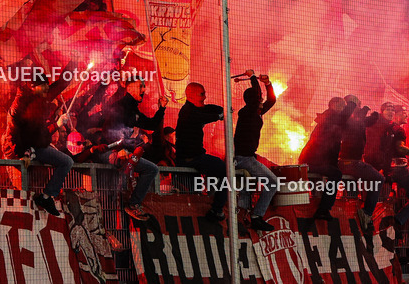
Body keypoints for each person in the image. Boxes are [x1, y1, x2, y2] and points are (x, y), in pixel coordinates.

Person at [1, 75, 74, 217]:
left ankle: (46, 197)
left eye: (48, 83)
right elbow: (12, 134)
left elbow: (60, 85)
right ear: (33, 86)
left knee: (67, 162)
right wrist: (23, 154)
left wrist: (74, 64)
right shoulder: (18, 106)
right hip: (19, 152)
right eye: (44, 84)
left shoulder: (43, 97)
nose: (48, 87)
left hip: (36, 147)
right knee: (25, 189)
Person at [99, 74, 167, 221]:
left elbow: (151, 124)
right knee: (125, 163)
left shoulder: (134, 110)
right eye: (140, 85)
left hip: (124, 153)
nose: (144, 89)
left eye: (144, 86)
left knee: (151, 168)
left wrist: (161, 109)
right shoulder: (119, 106)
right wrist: (117, 149)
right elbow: (107, 131)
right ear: (128, 87)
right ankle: (119, 204)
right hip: (108, 150)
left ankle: (133, 204)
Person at [176, 82, 228, 221]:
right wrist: (219, 116)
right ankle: (217, 209)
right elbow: (203, 117)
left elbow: (210, 109)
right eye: (202, 94)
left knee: (196, 190)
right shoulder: (187, 112)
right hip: (191, 158)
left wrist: (221, 111)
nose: (205, 97)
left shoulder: (194, 109)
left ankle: (211, 204)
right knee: (225, 171)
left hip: (194, 157)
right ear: (191, 95)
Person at [233, 70, 278, 232]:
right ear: (255, 100)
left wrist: (268, 84)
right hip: (244, 158)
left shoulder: (256, 112)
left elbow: (272, 100)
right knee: (273, 182)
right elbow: (257, 94)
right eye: (259, 98)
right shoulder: (248, 112)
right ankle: (257, 216)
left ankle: (244, 218)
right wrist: (253, 78)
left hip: (248, 157)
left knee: (247, 187)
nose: (262, 100)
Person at [300, 95, 357, 220]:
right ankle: (323, 209)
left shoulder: (329, 119)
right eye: (342, 105)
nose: (344, 108)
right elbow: (344, 117)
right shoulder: (331, 116)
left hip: (313, 160)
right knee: (335, 174)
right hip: (313, 161)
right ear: (333, 105)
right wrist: (352, 103)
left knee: (331, 174)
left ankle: (319, 209)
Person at [338, 99, 384, 235]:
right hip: (352, 163)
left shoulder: (351, 121)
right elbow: (362, 122)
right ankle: (366, 213)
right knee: (379, 179)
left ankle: (352, 225)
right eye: (357, 104)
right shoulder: (347, 121)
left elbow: (364, 122)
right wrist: (371, 113)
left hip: (347, 163)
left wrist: (372, 114)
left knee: (352, 194)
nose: (360, 106)